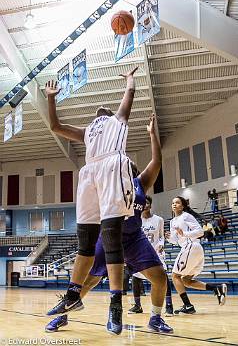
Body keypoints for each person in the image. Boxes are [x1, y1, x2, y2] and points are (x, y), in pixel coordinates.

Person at [45, 115, 173, 334]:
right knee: (89, 281)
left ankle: (156, 318)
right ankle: (64, 314)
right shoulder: (106, 180)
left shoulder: (140, 183)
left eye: (130, 163)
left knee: (160, 277)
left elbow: (157, 162)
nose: (127, 163)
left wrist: (153, 135)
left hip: (134, 239)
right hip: (108, 239)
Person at [45, 66, 138, 335]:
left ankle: (116, 303)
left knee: (111, 237)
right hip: (89, 173)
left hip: (112, 167)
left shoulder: (116, 121)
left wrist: (130, 80)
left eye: (103, 109)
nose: (100, 109)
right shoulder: (88, 132)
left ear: (109, 116)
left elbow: (128, 97)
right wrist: (51, 99)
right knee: (85, 242)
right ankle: (73, 295)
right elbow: (55, 126)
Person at [165, 196, 227, 315]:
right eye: (173, 203)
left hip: (192, 246)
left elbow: (200, 232)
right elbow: (176, 240)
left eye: (177, 203)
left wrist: (185, 233)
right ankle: (216, 288)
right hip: (190, 248)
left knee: (175, 276)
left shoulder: (186, 216)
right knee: (186, 281)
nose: (174, 204)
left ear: (182, 206)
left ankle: (188, 306)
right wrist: (169, 238)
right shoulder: (172, 221)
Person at [129, 195, 173, 317]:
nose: (145, 205)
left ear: (150, 204)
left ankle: (169, 306)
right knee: (135, 277)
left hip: (156, 252)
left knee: (163, 277)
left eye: (147, 203)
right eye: (143, 203)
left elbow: (161, 236)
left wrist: (161, 244)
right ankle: (137, 306)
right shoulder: (136, 220)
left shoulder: (158, 219)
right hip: (140, 252)